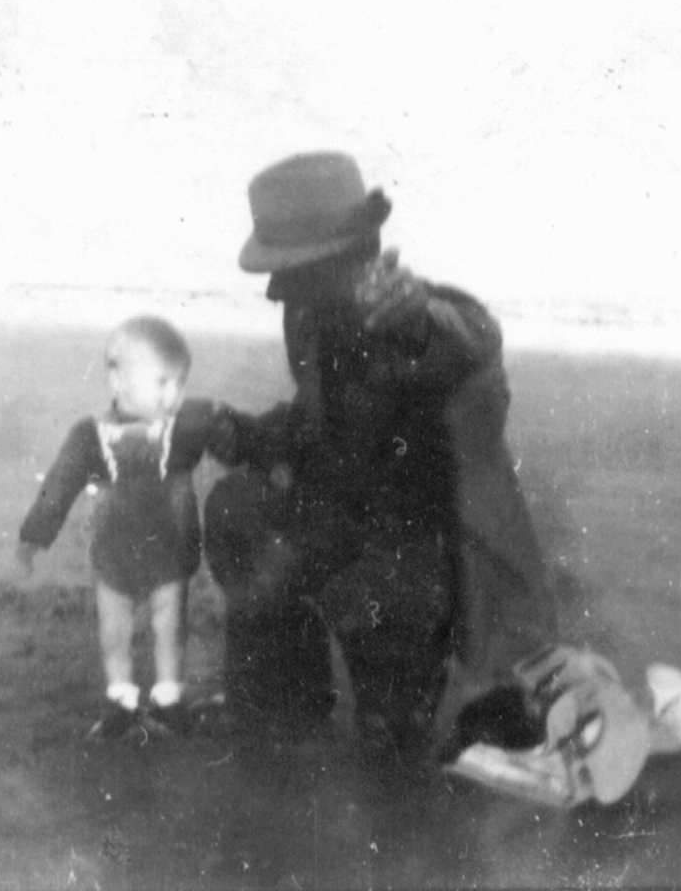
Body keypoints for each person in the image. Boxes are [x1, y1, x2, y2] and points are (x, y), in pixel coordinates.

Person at [203, 151, 560, 753]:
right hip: (340, 515)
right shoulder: (309, 314)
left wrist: (418, 315)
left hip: (418, 550)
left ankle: (412, 696)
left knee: (392, 740)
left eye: (290, 269)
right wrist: (243, 435)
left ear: (349, 253)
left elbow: (472, 340)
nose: (274, 288)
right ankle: (284, 698)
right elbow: (319, 420)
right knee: (236, 505)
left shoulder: (410, 312)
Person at [15, 315, 231, 740]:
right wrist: (33, 535)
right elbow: (61, 482)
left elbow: (226, 433)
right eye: (162, 382)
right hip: (114, 551)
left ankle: (169, 702)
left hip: (171, 548)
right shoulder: (90, 434)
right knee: (115, 632)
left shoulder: (186, 426)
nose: (175, 395)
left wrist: (247, 446)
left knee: (171, 628)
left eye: (181, 383)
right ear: (118, 381)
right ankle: (122, 702)